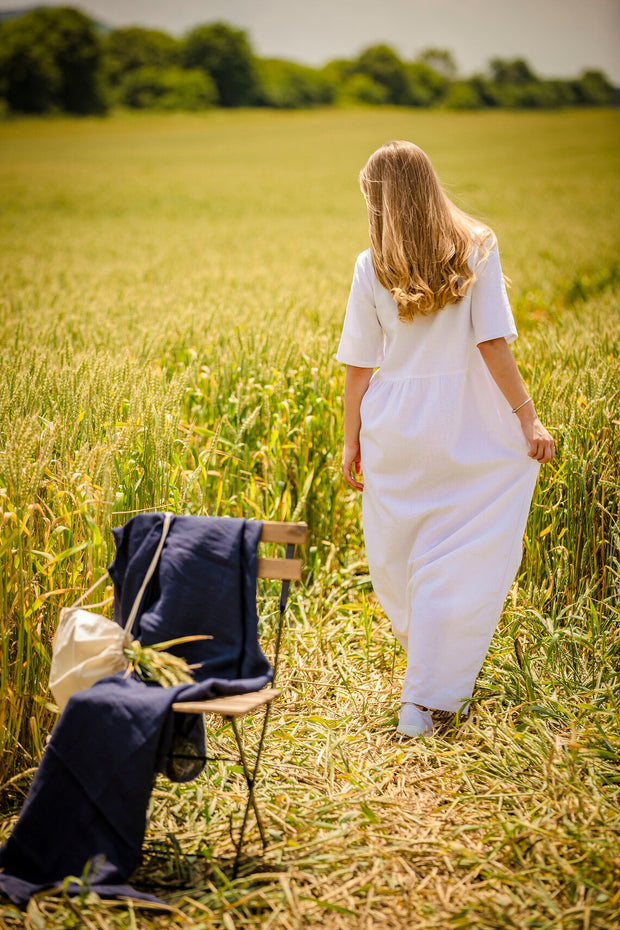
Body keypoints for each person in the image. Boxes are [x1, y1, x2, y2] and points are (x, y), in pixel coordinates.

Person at [337, 140, 555, 738]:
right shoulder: (477, 248)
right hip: (467, 421)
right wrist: (526, 418)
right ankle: (430, 692)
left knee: (403, 557)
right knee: (462, 555)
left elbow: (359, 364)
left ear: (381, 201)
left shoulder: (370, 263)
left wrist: (351, 440)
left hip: (397, 424)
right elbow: (493, 343)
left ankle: (427, 686)